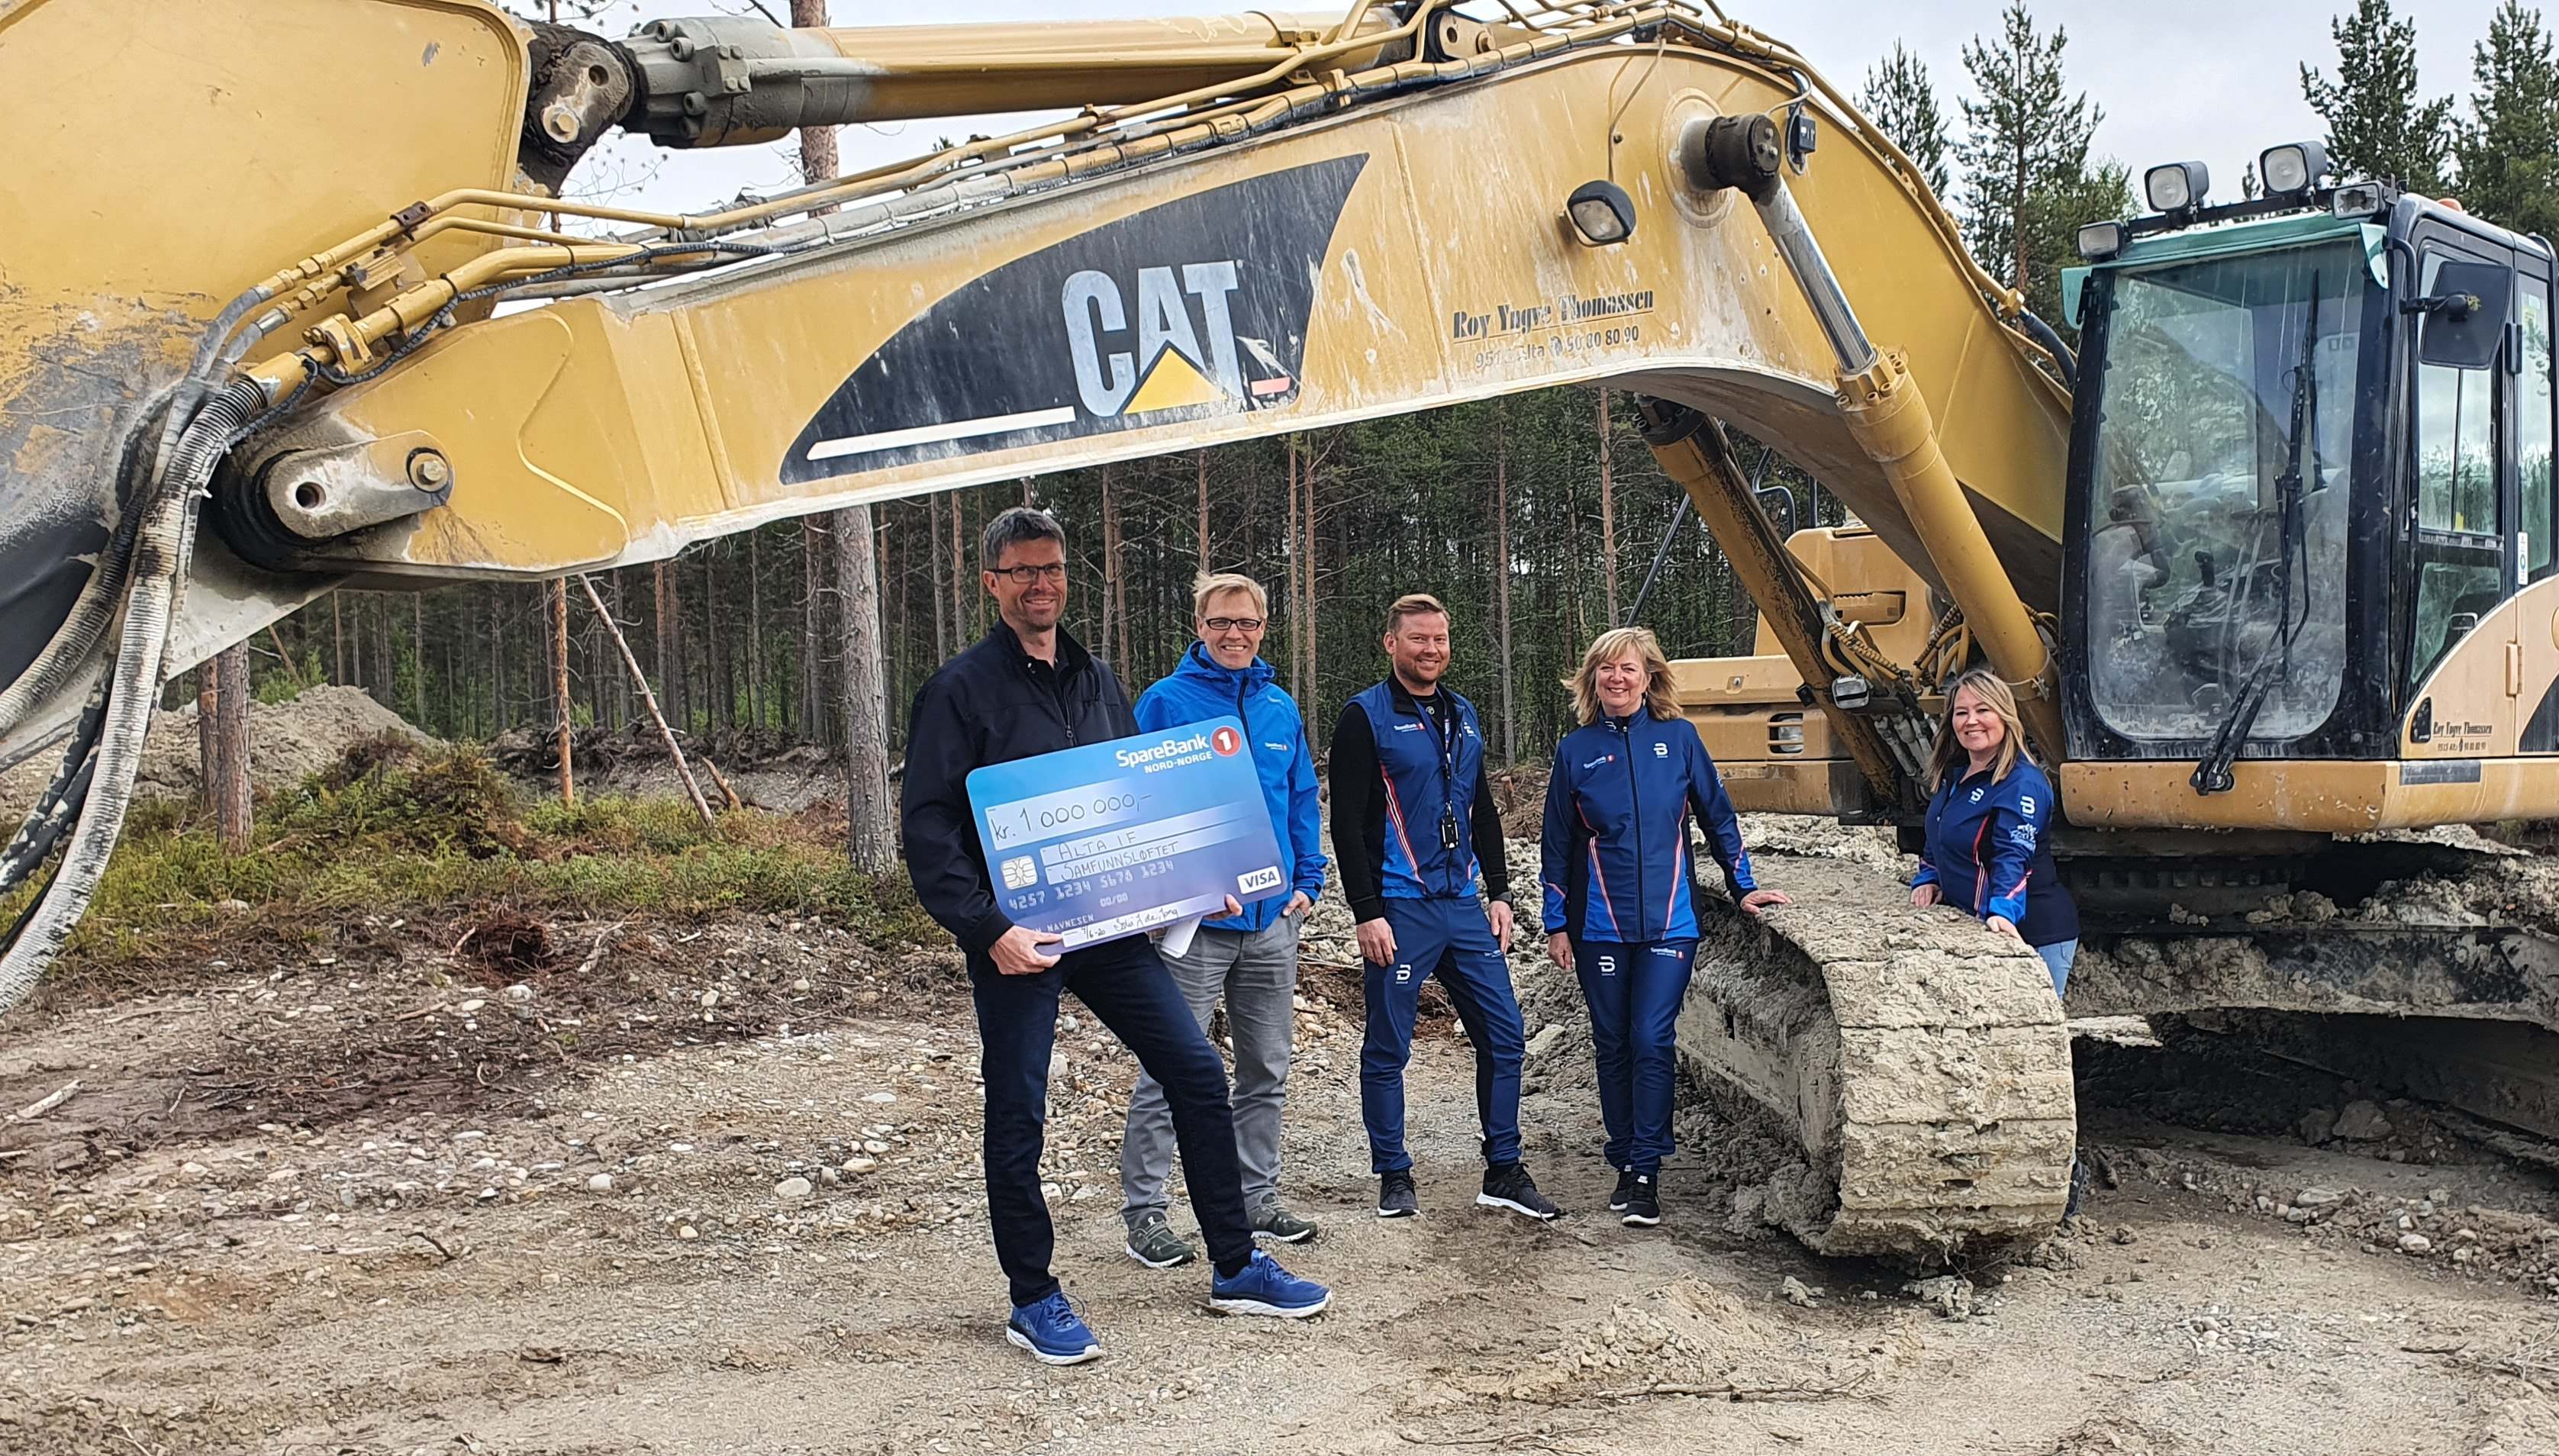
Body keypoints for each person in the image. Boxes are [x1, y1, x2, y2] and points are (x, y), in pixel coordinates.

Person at [901, 507, 1331, 1366]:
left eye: (1052, 569)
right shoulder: (959, 689)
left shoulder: (1096, 679)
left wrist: (1188, 888)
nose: (1040, 585)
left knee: (1195, 1071)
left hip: (1107, 932)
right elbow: (928, 827)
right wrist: (988, 929)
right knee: (1018, 1110)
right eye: (1022, 571)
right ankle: (1033, 1298)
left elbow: (1139, 804)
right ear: (991, 583)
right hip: (1019, 940)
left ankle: (1235, 1265)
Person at [1539, 627, 1789, 1228]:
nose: (1616, 678)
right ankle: (1624, 1158)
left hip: (1670, 923)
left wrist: (1743, 885)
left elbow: (1717, 816)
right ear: (1592, 679)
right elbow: (1557, 844)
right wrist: (1555, 923)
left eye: (1627, 668)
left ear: (1648, 677)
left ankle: (1646, 1171)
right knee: (1612, 1042)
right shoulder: (1575, 751)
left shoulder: (1678, 739)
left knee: (1651, 1039)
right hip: (1599, 924)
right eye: (1605, 669)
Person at [1117, 572, 1328, 1267]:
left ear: (1263, 628)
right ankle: (1145, 1213)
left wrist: (1308, 880)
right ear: (1199, 626)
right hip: (1195, 927)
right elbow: (1133, 805)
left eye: (1246, 622)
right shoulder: (1166, 702)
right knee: (1170, 1066)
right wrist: (1171, 893)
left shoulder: (1278, 708)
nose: (1234, 634)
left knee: (1265, 1067)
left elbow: (1301, 797)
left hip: (1272, 924)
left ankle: (1253, 1197)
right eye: (1220, 622)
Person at [1329, 593, 1559, 1222]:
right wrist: (1365, 910)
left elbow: (1480, 807)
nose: (1430, 650)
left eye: (1439, 639)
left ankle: (1504, 1170)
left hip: (1462, 905)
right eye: (1418, 639)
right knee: (1388, 1047)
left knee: (1505, 1037)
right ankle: (1393, 1174)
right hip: (1400, 906)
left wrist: (1499, 891)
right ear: (1391, 644)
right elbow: (1346, 822)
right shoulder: (1364, 717)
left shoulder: (1462, 713)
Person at [1910, 667, 2080, 994]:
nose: (1971, 721)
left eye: (1983, 710)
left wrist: (2003, 910)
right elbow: (1939, 834)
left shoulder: (2022, 782)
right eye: (1962, 712)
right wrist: (1929, 878)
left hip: (2029, 932)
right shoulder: (1954, 775)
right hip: (1976, 928)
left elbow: (2014, 853)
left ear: (2005, 716)